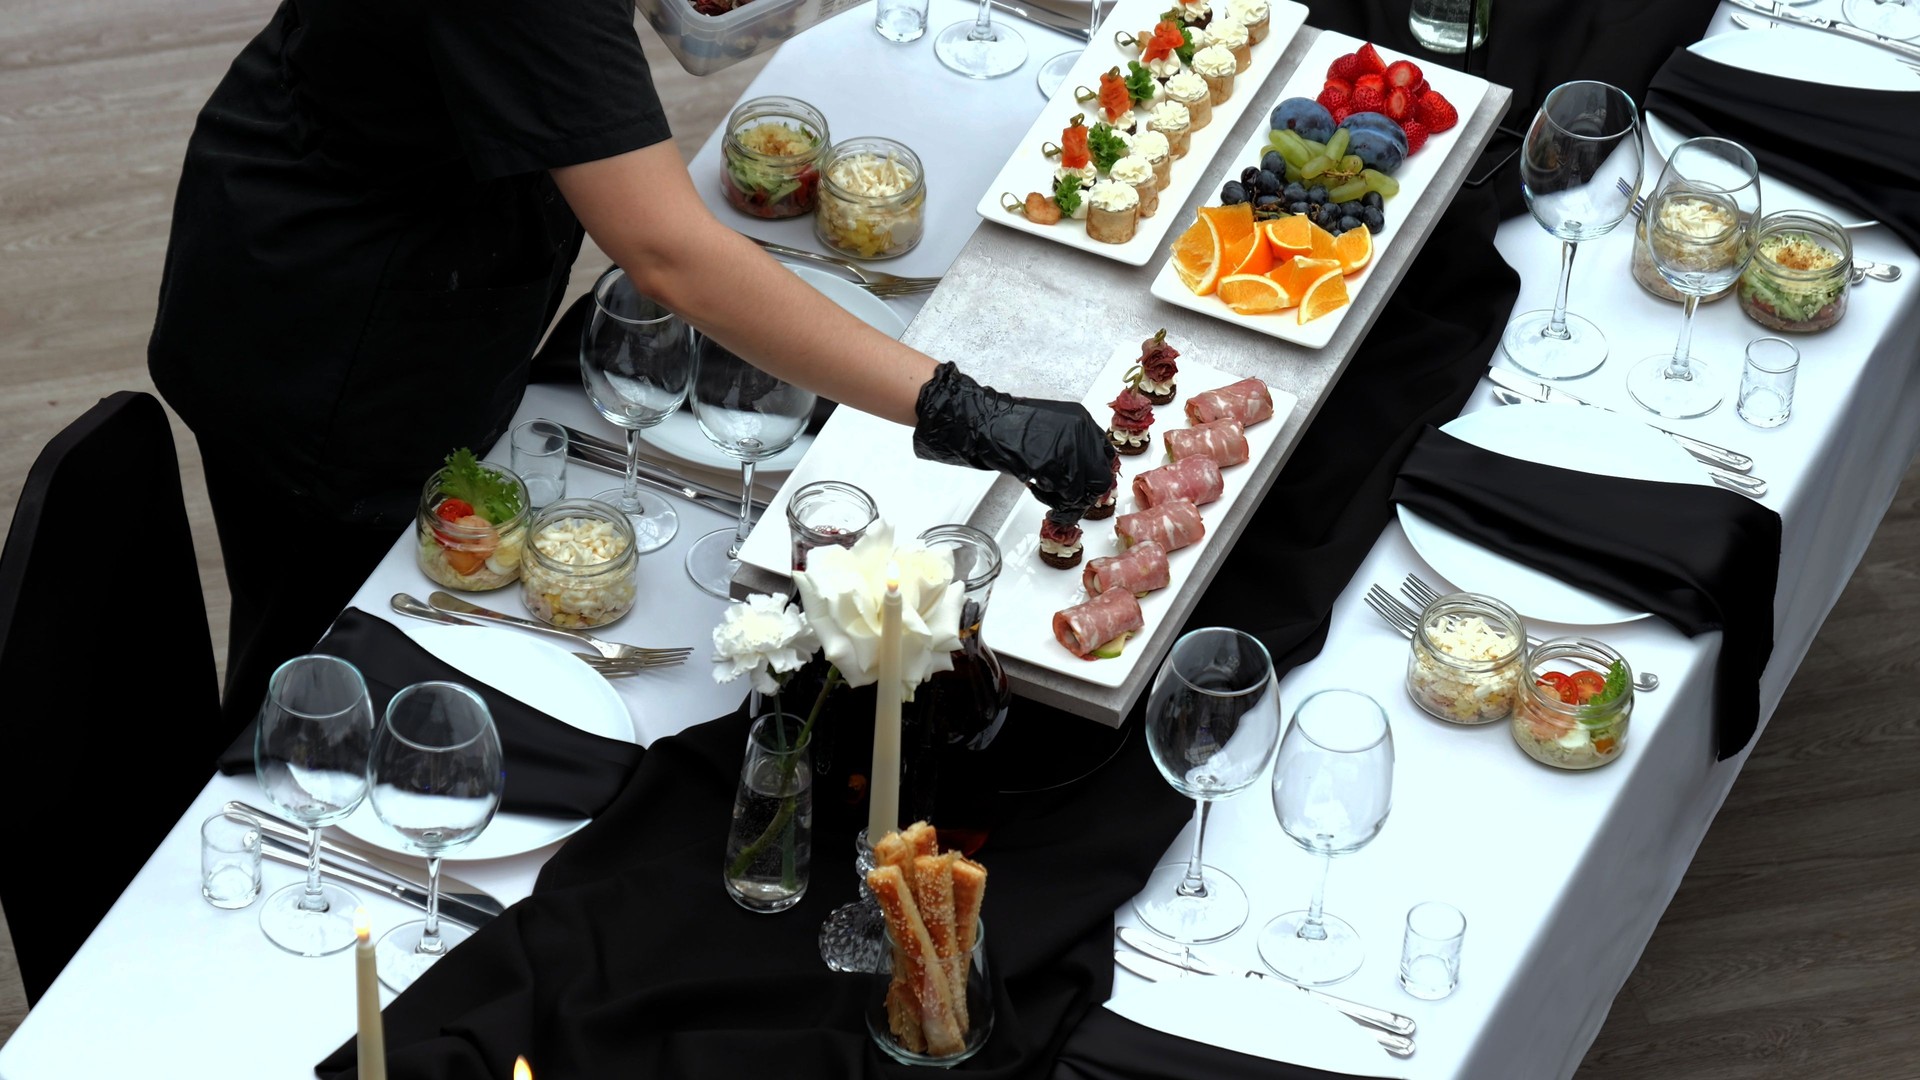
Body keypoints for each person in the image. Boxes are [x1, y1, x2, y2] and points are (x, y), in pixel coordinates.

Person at [148, 0, 1112, 739]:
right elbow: (669, 254)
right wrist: (963, 408)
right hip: (329, 330)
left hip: (415, 244)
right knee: (318, 664)